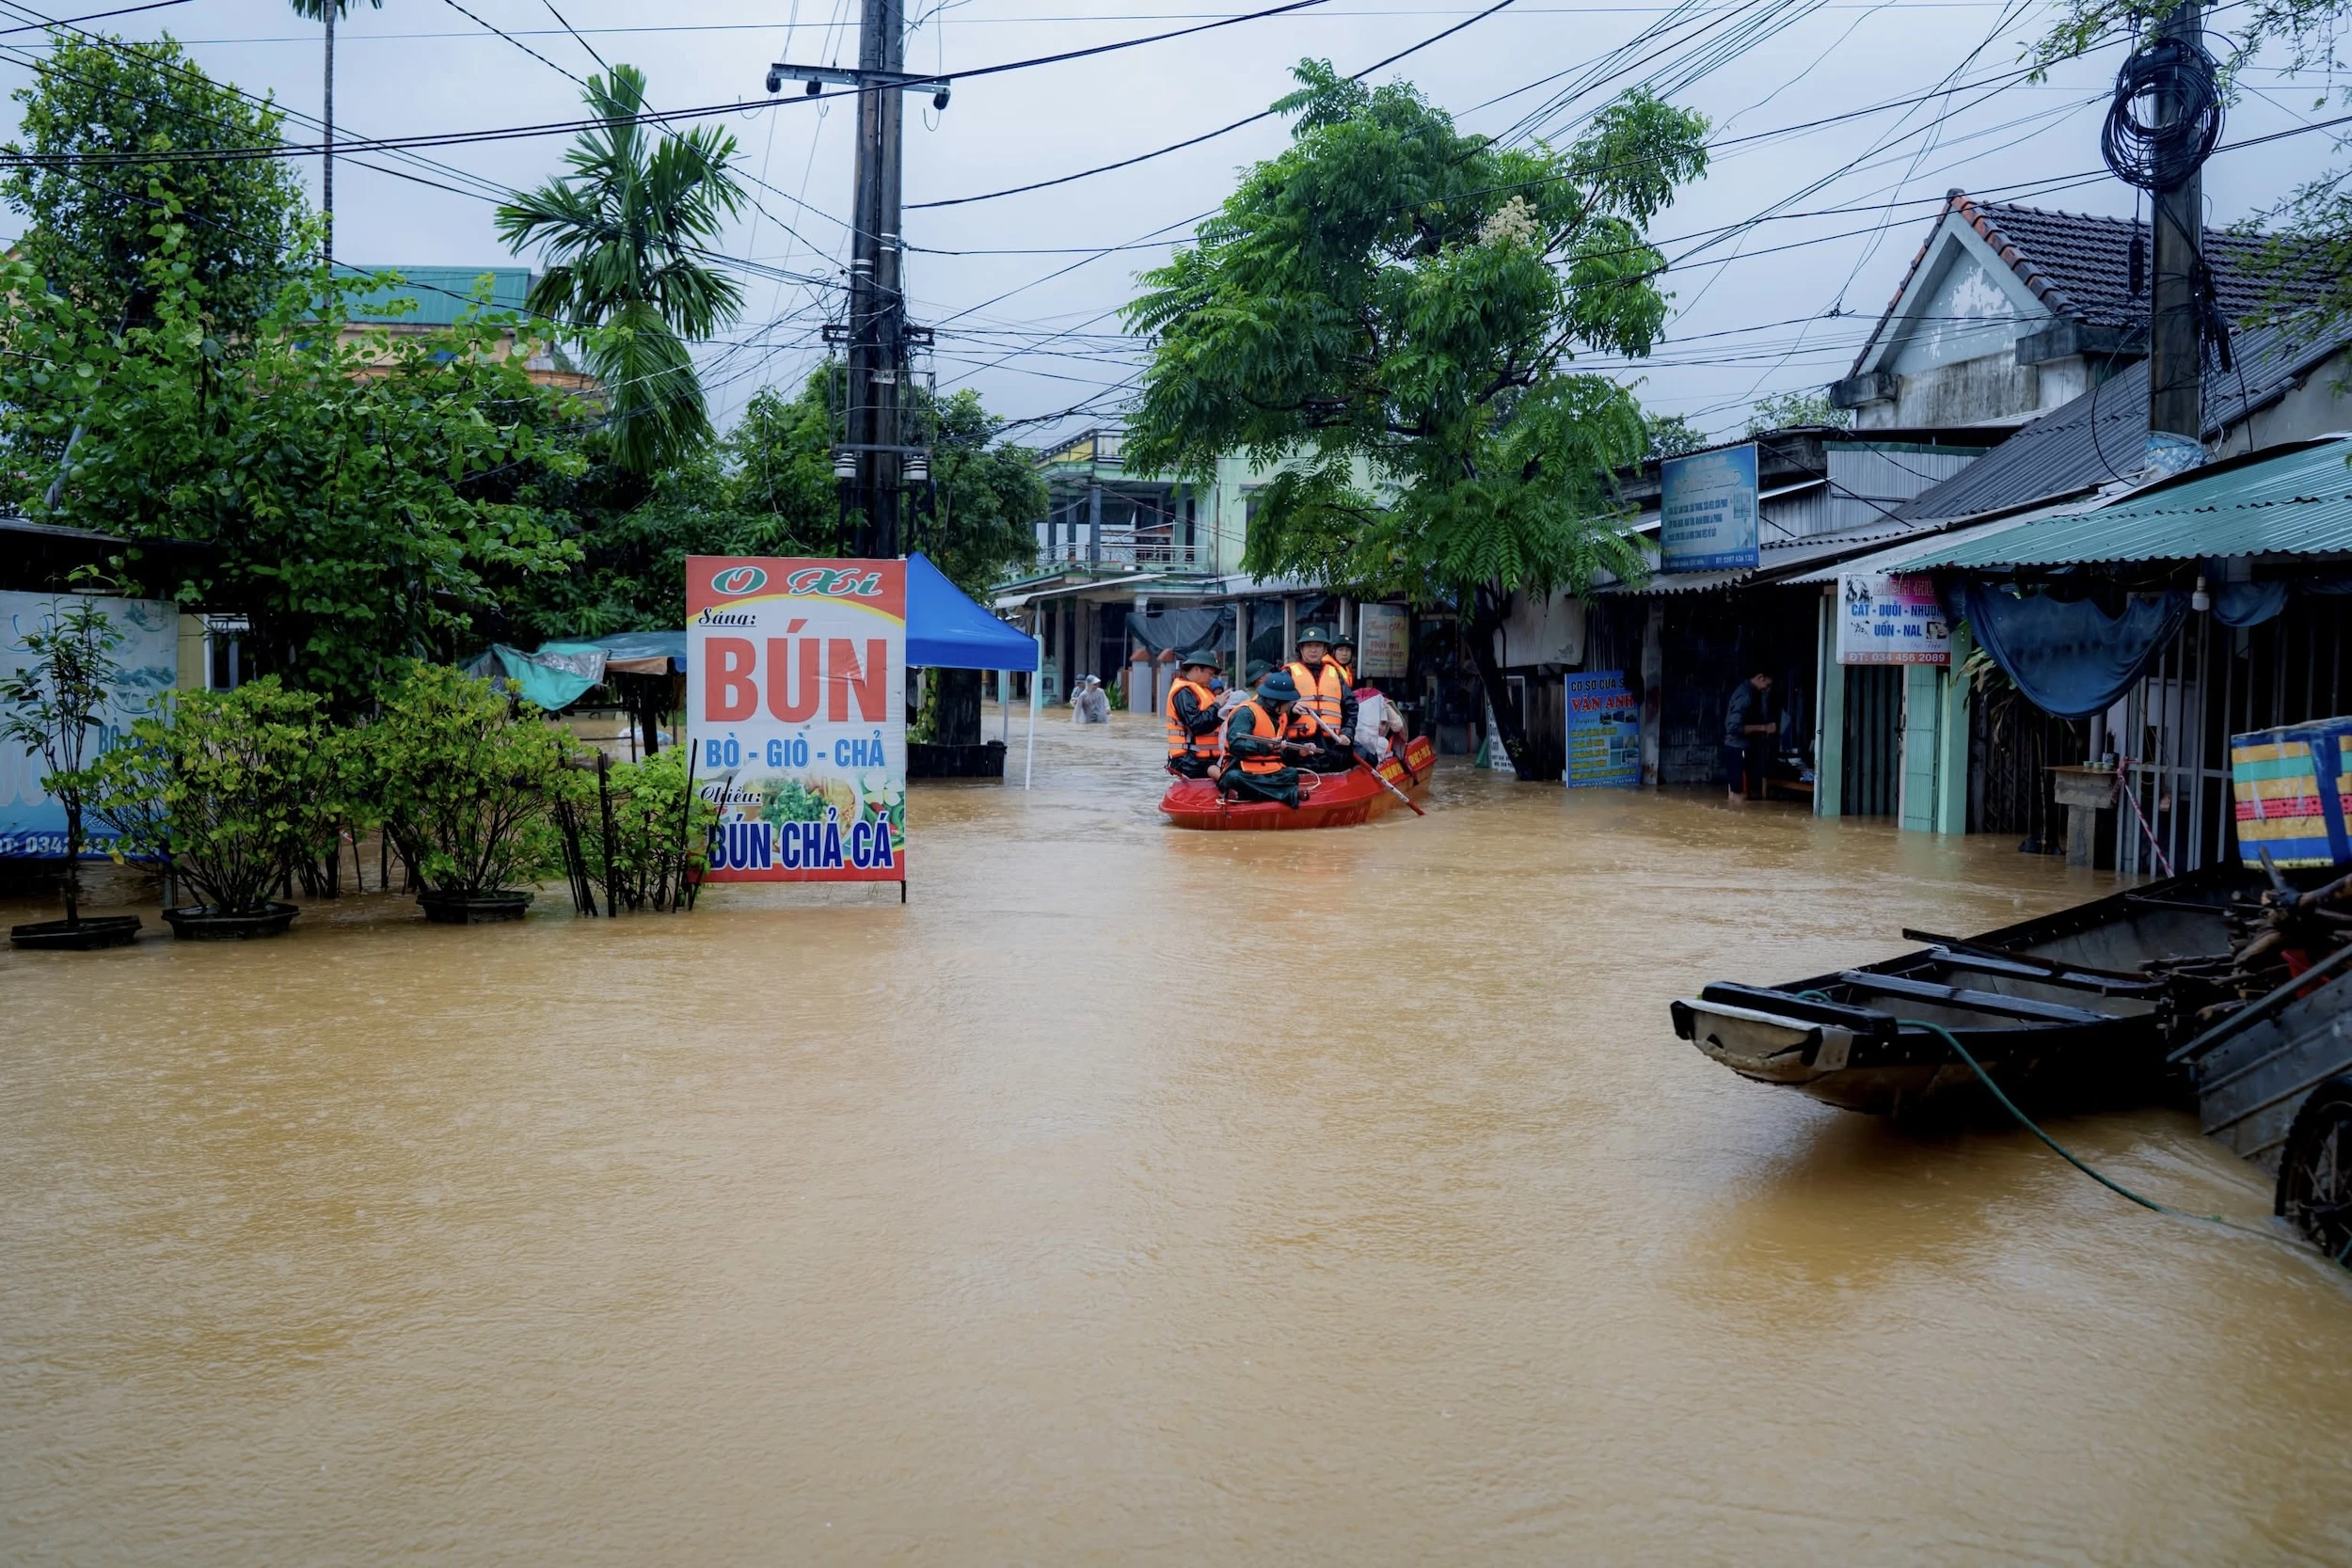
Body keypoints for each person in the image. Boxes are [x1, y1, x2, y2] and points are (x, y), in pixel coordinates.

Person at [1221, 669, 1311, 807]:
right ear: (1275, 701)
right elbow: (1236, 745)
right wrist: (1264, 747)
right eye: (1286, 702)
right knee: (1234, 778)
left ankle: (1249, 794)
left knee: (1292, 774)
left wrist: (1299, 751)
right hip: (1243, 769)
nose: (1289, 706)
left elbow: (1282, 748)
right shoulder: (1245, 713)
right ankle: (1288, 793)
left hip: (1270, 771)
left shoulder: (1281, 716)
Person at [1283, 626, 1359, 771]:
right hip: (1298, 745)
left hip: (1331, 745)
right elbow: (1273, 707)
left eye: (1318, 646)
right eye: (1309, 646)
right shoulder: (1288, 674)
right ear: (1301, 648)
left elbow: (1351, 708)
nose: (1313, 650)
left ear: (1325, 650)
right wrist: (1291, 707)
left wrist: (1347, 733)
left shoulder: (1336, 674)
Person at [1163, 650, 1224, 778]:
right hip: (1190, 761)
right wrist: (1217, 706)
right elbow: (1196, 725)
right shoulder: (1184, 692)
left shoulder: (1205, 691)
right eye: (1210, 674)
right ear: (1196, 669)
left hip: (1206, 759)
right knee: (1228, 778)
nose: (1212, 679)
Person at [1723, 668, 1777, 802]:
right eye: (1768, 685)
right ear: (1760, 677)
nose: (1767, 689)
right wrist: (1765, 728)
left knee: (1736, 794)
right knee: (1740, 795)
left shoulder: (1747, 691)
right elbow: (1734, 727)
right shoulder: (1746, 694)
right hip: (1738, 749)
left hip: (1736, 749)